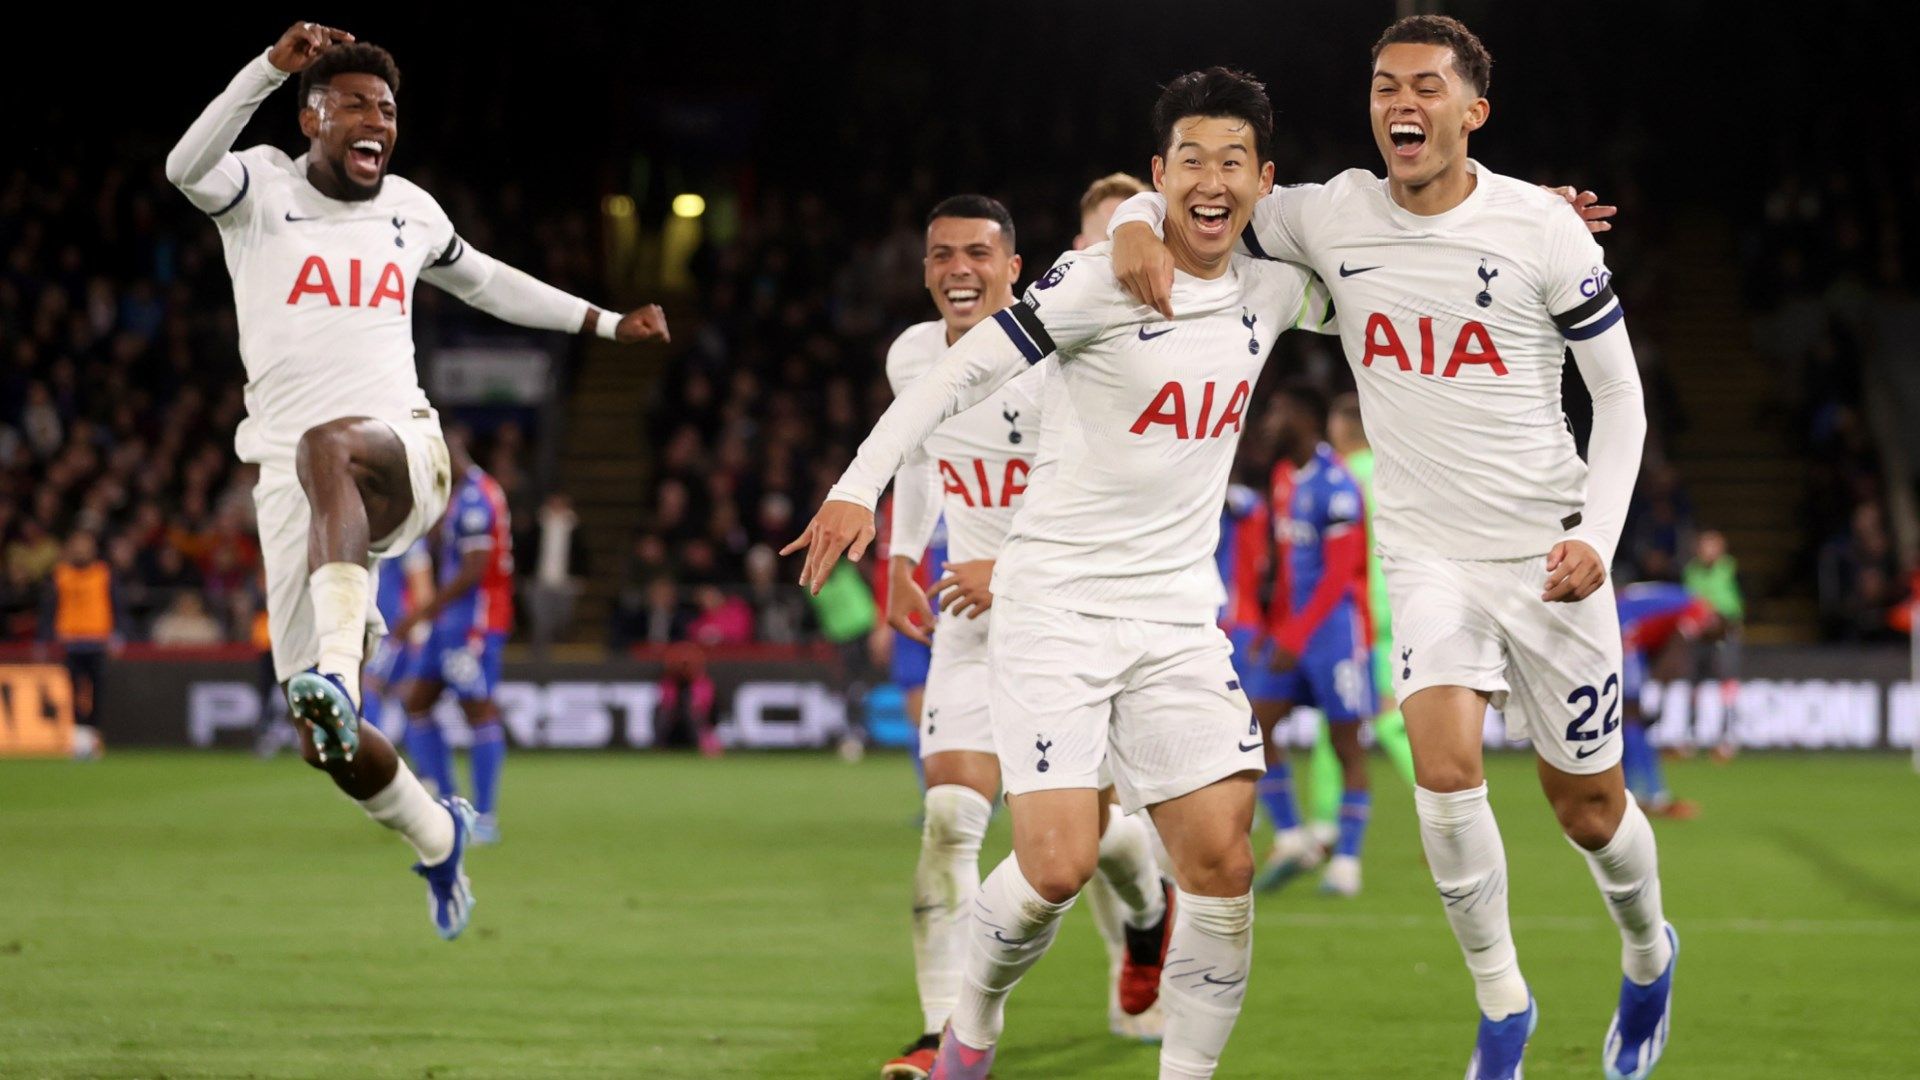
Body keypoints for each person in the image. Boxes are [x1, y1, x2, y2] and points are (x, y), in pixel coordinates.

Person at [1109, 16, 1670, 1080]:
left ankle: (1647, 954)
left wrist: (1598, 538)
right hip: (1426, 557)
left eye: (1424, 87)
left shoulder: (1543, 230)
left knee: (1590, 812)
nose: (1400, 104)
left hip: (1548, 554)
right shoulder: (1334, 213)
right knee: (1444, 770)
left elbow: (1621, 400)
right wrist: (1139, 218)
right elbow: (1206, 192)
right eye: (1383, 87)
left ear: (1473, 111)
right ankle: (1502, 1006)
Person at [789, 68, 1334, 1080]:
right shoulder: (1095, 284)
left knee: (1222, 862)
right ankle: (968, 1034)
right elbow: (956, 375)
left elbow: (1405, 271)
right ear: (1161, 174)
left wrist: (1521, 226)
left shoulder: (1274, 290)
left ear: (1264, 180)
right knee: (1054, 867)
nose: (1211, 182)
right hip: (1054, 610)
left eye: (1233, 163)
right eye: (1189, 162)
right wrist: (859, 488)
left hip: (1176, 617)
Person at [165, 22, 668, 939]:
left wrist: (602, 322)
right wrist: (265, 70)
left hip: (404, 452)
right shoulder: (260, 189)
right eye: (356, 105)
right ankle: (437, 835)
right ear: (311, 117)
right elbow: (183, 166)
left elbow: (488, 281)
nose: (378, 122)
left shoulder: (410, 210)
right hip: (292, 487)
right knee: (325, 745)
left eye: (389, 109)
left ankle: (340, 672)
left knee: (330, 448)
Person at [876, 195, 1170, 1079]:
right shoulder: (912, 355)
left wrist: (1006, 569)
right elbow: (919, 456)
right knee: (949, 819)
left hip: (1066, 621)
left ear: (1013, 266)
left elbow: (1111, 492)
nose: (957, 269)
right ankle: (941, 1032)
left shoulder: (1059, 359)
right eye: (941, 254)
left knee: (1090, 834)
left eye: (977, 253)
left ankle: (1150, 917)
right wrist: (901, 555)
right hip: (969, 625)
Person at [1248, 382, 1376, 897]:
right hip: (1293, 634)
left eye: (1276, 413)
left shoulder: (1337, 484)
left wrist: (1297, 635)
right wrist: (1272, 628)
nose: (1267, 425)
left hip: (1335, 636)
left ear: (1303, 417)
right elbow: (1287, 569)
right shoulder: (1284, 478)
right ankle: (1291, 836)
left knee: (1346, 747)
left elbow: (1340, 575)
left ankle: (1347, 863)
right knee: (1256, 727)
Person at [392, 431, 515, 843]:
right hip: (450, 623)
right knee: (417, 704)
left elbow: (474, 569)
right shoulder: (462, 495)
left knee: (478, 710)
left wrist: (421, 612)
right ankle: (448, 806)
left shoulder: (478, 497)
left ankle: (485, 818)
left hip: (473, 621)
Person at [1617, 581, 1719, 818]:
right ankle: (1653, 795)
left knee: (1628, 722)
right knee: (1632, 719)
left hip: (1623, 630)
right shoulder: (1698, 611)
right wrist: (1661, 689)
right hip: (1624, 634)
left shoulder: (1682, 597)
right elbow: (1677, 649)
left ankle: (1628, 793)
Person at [43, 532, 118, 729]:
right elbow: (49, 609)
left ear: (93, 549)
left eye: (85, 545)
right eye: (77, 545)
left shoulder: (104, 573)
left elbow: (117, 605)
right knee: (70, 691)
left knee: (98, 691)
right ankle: (76, 732)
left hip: (97, 642)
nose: (81, 550)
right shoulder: (60, 575)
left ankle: (94, 732)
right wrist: (45, 639)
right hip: (69, 643)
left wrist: (117, 635)